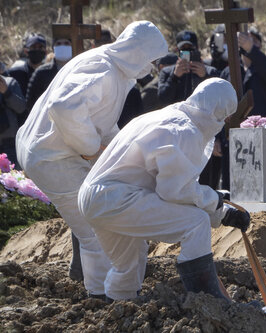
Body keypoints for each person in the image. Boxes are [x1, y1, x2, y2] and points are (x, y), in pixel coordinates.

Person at [15, 21, 168, 299]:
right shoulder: (103, 69)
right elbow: (63, 108)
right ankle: (101, 298)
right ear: (136, 52)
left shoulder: (113, 69)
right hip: (53, 157)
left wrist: (124, 152)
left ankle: (110, 291)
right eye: (149, 59)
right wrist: (89, 148)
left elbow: (102, 120)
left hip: (54, 151)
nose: (151, 67)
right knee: (98, 227)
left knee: (103, 221)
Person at [78, 78, 249, 301]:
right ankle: (209, 302)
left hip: (95, 198)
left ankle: (119, 314)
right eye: (226, 116)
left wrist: (222, 212)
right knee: (196, 223)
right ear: (220, 112)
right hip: (117, 198)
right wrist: (216, 202)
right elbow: (174, 192)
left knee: (129, 264)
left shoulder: (163, 117)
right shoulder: (184, 130)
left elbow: (176, 188)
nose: (224, 121)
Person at [220, 27, 266, 117]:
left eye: (253, 40)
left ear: (260, 45)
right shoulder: (228, 71)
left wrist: (251, 49)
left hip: (261, 124)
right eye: (243, 39)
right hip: (235, 125)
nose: (246, 43)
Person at [158, 30, 221, 105]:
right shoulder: (167, 72)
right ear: (178, 50)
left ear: (197, 48)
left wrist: (205, 76)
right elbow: (163, 99)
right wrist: (174, 77)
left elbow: (219, 97)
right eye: (183, 49)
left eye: (190, 48)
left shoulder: (211, 71)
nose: (187, 52)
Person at [25, 38, 73, 111]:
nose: (62, 46)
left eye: (66, 43)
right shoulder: (41, 73)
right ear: (53, 48)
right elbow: (31, 102)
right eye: (58, 44)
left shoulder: (81, 69)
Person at [0, 71, 27, 166]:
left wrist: (6, 92)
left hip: (9, 145)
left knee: (11, 178)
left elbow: (21, 108)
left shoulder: (10, 83)